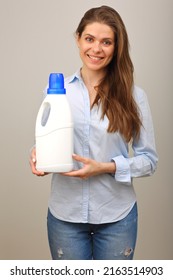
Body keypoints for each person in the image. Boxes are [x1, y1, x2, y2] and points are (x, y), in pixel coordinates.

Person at [30, 5, 158, 260]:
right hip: (65, 215)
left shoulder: (134, 96)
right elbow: (46, 137)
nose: (96, 49)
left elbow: (149, 162)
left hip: (116, 215)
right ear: (78, 39)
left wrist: (106, 167)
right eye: (89, 39)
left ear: (116, 46)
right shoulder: (57, 90)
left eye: (106, 42)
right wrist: (37, 155)